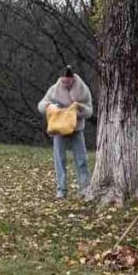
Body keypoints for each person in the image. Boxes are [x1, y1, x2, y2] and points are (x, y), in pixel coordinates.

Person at [37, 65, 94, 199]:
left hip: (76, 130)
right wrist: (49, 106)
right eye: (63, 82)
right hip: (59, 130)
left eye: (68, 82)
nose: (65, 84)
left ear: (73, 79)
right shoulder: (54, 90)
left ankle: (85, 189)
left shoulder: (83, 90)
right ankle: (61, 189)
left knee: (81, 160)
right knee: (59, 161)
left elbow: (89, 111)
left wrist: (78, 109)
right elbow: (41, 105)